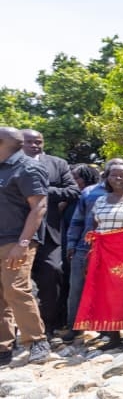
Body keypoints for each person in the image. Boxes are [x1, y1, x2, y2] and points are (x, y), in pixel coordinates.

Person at [75, 160, 123, 348]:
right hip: (104, 253)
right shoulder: (100, 200)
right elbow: (95, 226)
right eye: (114, 175)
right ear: (107, 177)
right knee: (107, 294)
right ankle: (114, 337)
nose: (119, 179)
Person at [0, 126, 53, 365]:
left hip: (16, 241)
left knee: (16, 290)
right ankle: (3, 347)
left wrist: (22, 243)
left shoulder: (28, 168)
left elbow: (39, 207)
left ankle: (37, 341)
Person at [21, 129, 79, 337]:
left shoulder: (58, 164)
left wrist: (42, 191)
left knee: (53, 273)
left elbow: (73, 191)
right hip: (15, 233)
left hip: (49, 234)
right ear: (19, 143)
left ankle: (49, 326)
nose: (35, 145)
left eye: (39, 142)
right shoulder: (8, 164)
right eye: (30, 142)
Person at [65, 163, 110, 342]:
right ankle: (74, 327)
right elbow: (78, 220)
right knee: (76, 289)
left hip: (115, 250)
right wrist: (71, 243)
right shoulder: (89, 193)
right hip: (85, 247)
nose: (117, 177)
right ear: (105, 174)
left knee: (108, 290)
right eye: (111, 173)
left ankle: (107, 328)